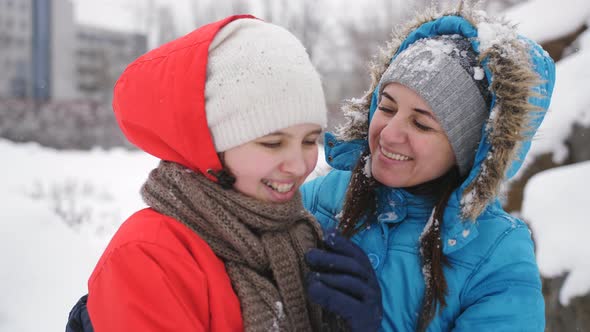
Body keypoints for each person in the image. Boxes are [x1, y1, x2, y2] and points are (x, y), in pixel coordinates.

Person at [66, 15, 383, 332]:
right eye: (272, 143)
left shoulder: (302, 234)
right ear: (209, 145)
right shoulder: (148, 257)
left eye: (309, 140)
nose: (299, 165)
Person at [302, 3, 555, 332]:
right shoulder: (323, 194)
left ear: (467, 148)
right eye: (387, 107)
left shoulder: (499, 253)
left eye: (421, 125)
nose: (390, 134)